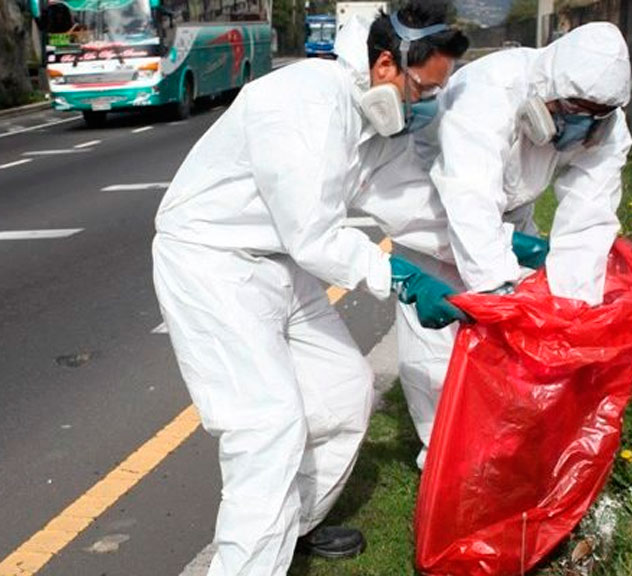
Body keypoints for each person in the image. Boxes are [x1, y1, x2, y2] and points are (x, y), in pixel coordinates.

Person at [151, 3, 468, 574]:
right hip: (213, 263)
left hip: (276, 265)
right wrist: (397, 275)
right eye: (423, 89)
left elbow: (408, 203)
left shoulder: (373, 119)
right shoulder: (303, 102)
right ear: (386, 63)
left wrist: (483, 245)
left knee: (344, 388)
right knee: (266, 427)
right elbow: (313, 233)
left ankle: (289, 526)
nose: (425, 105)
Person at [393, 22, 632, 470]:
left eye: (594, 115)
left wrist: (570, 310)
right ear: (547, 92)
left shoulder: (605, 127)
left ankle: (501, 451)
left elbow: (590, 217)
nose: (580, 124)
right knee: (437, 353)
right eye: (572, 111)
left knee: (510, 351)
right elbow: (468, 197)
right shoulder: (487, 92)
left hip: (511, 208)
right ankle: (443, 461)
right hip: (438, 211)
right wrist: (498, 288)